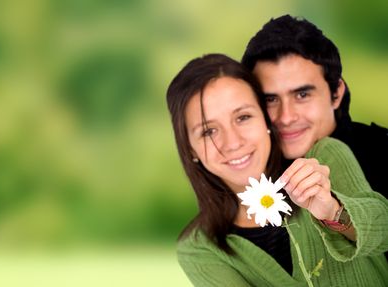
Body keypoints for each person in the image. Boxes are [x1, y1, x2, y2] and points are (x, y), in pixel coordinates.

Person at [166, 53, 388, 286]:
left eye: (243, 117)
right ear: (190, 149)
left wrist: (333, 211)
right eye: (208, 131)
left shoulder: (324, 157)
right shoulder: (199, 249)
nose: (233, 143)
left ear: (265, 120)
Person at [241, 14, 388, 198]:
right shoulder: (244, 170)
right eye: (270, 99)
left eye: (302, 95)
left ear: (336, 94)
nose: (286, 117)